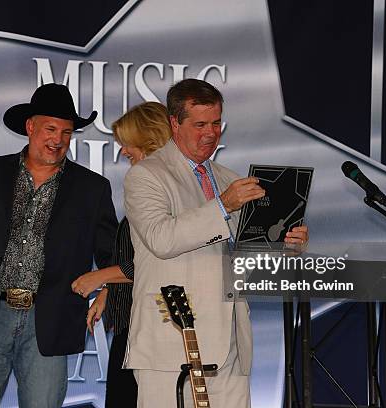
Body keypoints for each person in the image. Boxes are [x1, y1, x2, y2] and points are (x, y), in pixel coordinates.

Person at [123, 79, 309, 408]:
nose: (210, 133)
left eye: (215, 123)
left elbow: (248, 257)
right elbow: (161, 239)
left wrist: (285, 246)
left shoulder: (228, 178)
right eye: (199, 124)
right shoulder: (146, 176)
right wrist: (223, 205)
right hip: (173, 340)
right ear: (174, 123)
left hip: (232, 344)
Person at [0, 83, 118, 408]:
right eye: (50, 129)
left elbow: (111, 255)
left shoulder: (92, 188)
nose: (57, 140)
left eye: (66, 132)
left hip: (50, 319)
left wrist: (109, 290)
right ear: (30, 127)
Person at [70, 101, 172, 407]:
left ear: (149, 138)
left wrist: (98, 277)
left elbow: (158, 259)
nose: (123, 151)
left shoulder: (167, 190)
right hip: (134, 324)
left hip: (155, 328)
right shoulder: (152, 185)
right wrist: (108, 292)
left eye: (127, 143)